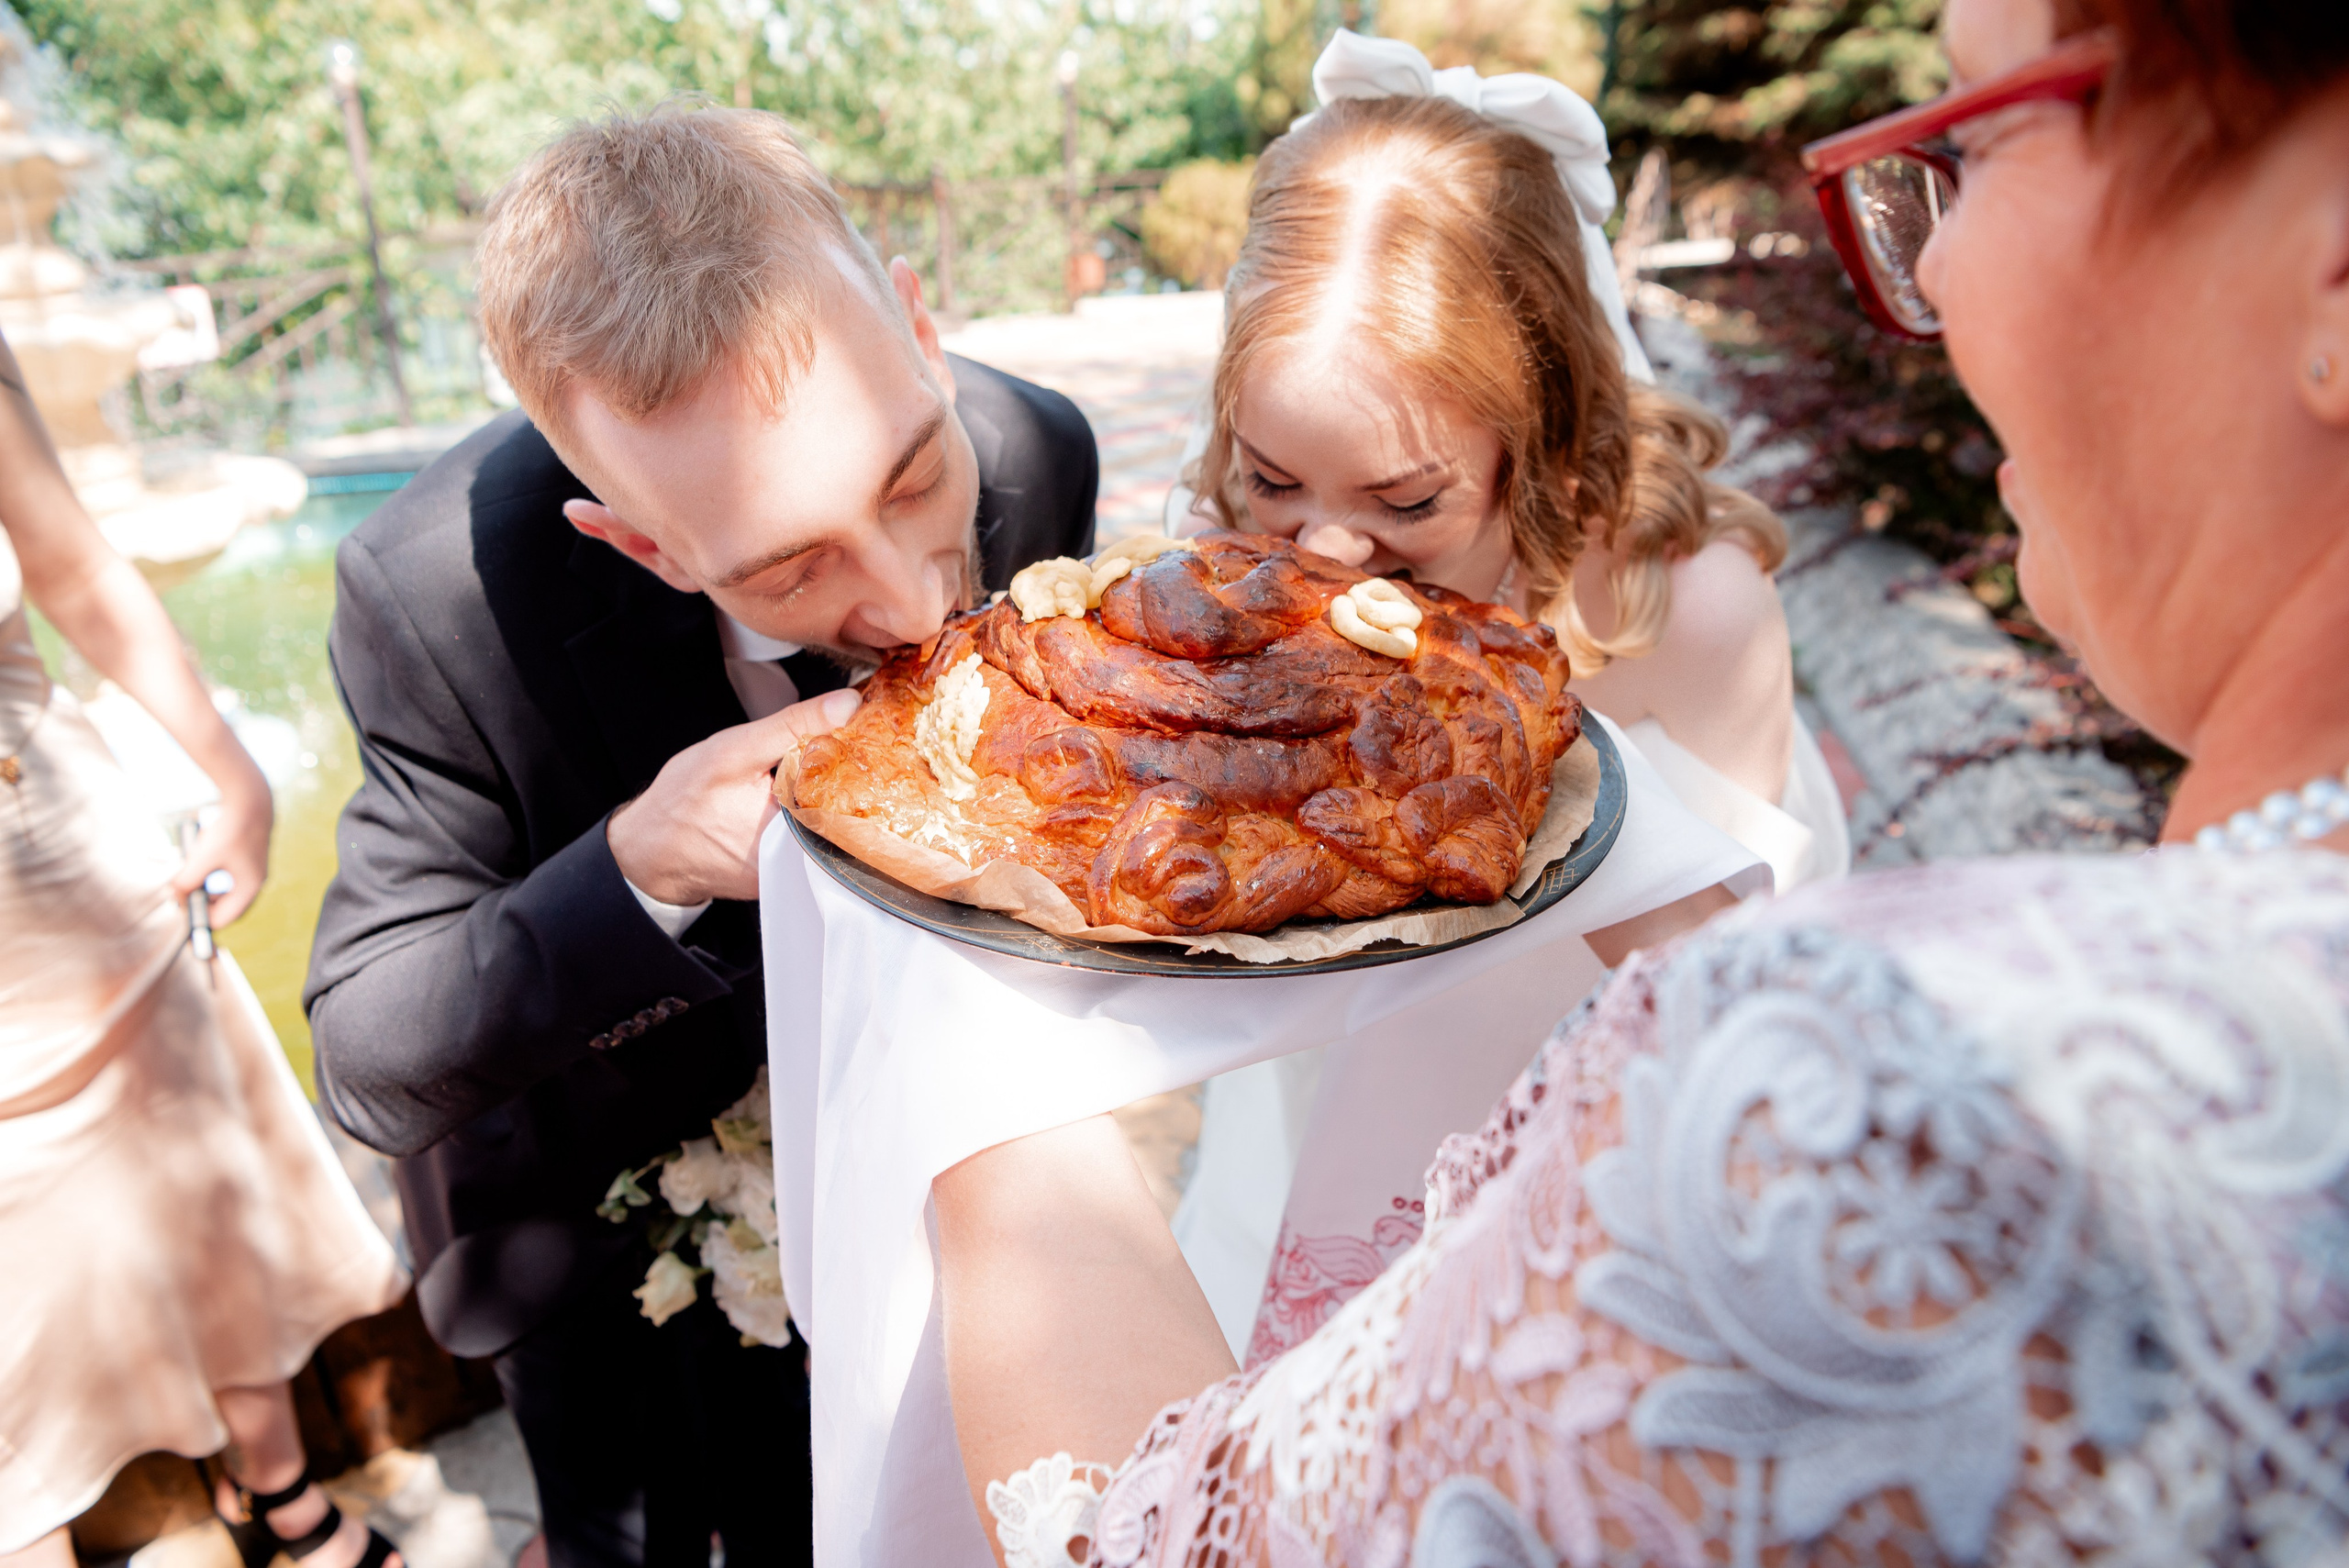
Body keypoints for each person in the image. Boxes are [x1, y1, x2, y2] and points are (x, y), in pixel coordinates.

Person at [933, 0, 2349, 1559]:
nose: (1928, 261)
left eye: (1984, 127)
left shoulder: (1826, 1073)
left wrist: (970, 1098)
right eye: (1272, 485)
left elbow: (1177, 1533)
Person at [302, 107, 1097, 1568]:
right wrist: (645, 861)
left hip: (915, 1181)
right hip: (600, 1237)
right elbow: (367, 1042)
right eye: (793, 566)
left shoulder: (1037, 444)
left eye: (914, 479)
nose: (916, 608)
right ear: (639, 542)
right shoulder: (432, 595)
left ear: (915, 318)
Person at [1168, 32, 1844, 1363]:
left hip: (1598, 1202)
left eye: (1406, 501)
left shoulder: (1684, 614)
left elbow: (1713, 1015)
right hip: (1309, 1153)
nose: (1324, 553)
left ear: (1535, 421)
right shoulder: (1232, 557)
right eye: (1273, 478)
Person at [0, 330, 406, 1568]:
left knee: (206, 1177)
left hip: (66, 856)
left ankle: (276, 1490)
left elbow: (75, 572)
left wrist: (229, 769)